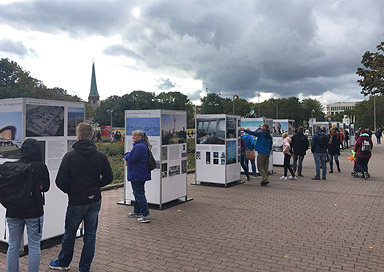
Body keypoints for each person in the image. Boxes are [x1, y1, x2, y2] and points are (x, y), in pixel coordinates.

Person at [49, 123, 113, 271]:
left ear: (78, 136)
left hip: (77, 201)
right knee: (90, 236)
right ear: (92, 135)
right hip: (94, 200)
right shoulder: (100, 156)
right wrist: (97, 186)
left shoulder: (70, 156)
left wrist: (71, 191)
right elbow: (109, 177)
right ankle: (84, 267)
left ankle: (63, 262)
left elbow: (60, 181)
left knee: (70, 234)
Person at [6, 138, 50, 272]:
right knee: (34, 245)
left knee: (13, 245)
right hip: (34, 211)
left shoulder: (13, 166)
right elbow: (46, 187)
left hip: (13, 210)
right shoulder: (40, 167)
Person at [124, 130, 151, 223]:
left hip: (137, 173)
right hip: (140, 172)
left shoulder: (139, 146)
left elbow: (131, 158)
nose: (133, 138)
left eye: (134, 136)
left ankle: (145, 214)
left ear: (139, 137)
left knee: (139, 193)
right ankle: (137, 211)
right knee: (138, 192)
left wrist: (125, 156)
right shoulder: (143, 145)